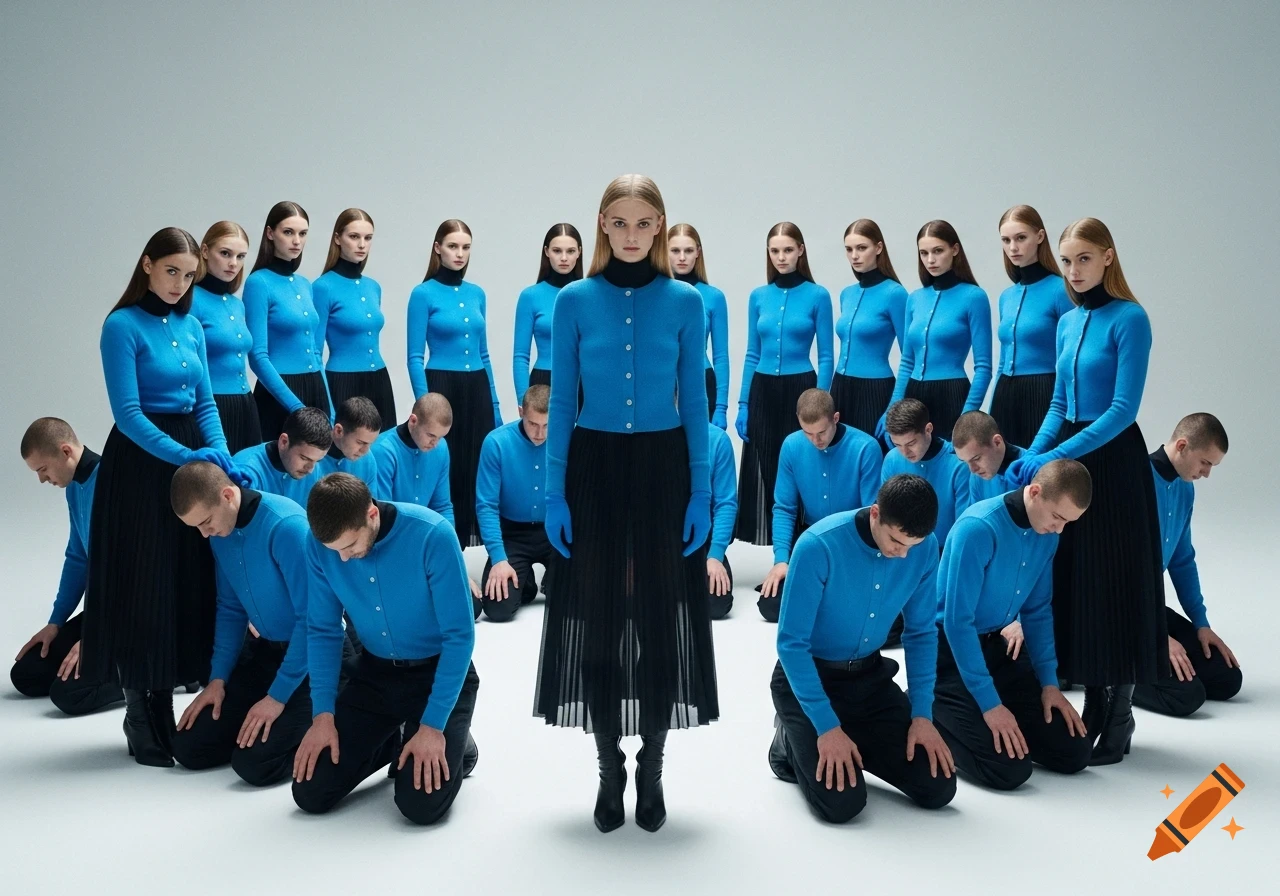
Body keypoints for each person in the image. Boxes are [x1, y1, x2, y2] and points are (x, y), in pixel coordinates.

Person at [537, 174, 716, 834]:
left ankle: (654, 765)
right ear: (603, 225)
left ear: (661, 227)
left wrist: (701, 489)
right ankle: (610, 767)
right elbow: (560, 403)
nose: (634, 234)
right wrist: (553, 491)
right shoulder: (574, 302)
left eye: (647, 223)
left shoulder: (687, 302)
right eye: (622, 222)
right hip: (594, 467)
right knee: (603, 623)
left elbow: (695, 401)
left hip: (665, 468)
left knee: (663, 621)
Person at [1007, 218, 1167, 765]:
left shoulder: (1131, 318)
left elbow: (1123, 409)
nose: (1073, 272)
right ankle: (1085, 699)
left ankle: (1116, 716)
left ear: (1108, 257)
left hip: (1114, 459)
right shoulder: (1069, 321)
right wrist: (1035, 451)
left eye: (1083, 260)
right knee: (1072, 573)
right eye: (1067, 261)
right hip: (1070, 450)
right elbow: (1057, 403)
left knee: (1113, 578)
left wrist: (1057, 455)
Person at [82, 227, 238, 767]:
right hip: (142, 466)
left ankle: (174, 691)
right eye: (171, 270)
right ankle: (140, 710)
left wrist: (217, 451)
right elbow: (128, 415)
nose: (179, 283)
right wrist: (189, 459)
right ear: (147, 265)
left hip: (190, 458)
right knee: (146, 580)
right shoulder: (121, 325)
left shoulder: (193, 324)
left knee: (187, 574)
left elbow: (205, 403)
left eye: (189, 274)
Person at [292, 474, 480, 826]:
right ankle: (394, 737)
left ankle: (460, 747)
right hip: (375, 675)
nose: (344, 559)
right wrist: (322, 715)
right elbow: (322, 630)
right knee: (310, 792)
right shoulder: (319, 545)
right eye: (336, 551)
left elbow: (460, 637)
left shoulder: (432, 534)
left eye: (350, 546)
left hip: (436, 673)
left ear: (371, 514)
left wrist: (433, 726)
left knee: (420, 807)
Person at [769, 475, 955, 822]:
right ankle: (788, 742)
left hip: (870, 682)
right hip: (810, 678)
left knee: (939, 786)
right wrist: (826, 728)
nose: (903, 555)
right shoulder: (817, 545)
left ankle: (852, 737)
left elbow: (920, 634)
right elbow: (791, 645)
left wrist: (922, 715)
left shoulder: (924, 548)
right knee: (842, 805)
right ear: (875, 514)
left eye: (912, 546)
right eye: (896, 541)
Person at [933, 461, 1094, 790]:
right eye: (1058, 518)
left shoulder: (1046, 534)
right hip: (951, 655)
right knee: (1008, 770)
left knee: (1075, 752)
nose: (1060, 529)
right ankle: (927, 705)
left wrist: (1049, 684)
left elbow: (1036, 610)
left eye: (1068, 522)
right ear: (1035, 492)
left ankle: (989, 713)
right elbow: (957, 623)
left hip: (999, 650)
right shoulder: (977, 529)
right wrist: (991, 706)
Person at [168, 461, 313, 786]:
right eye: (196, 528)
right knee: (188, 747)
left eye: (205, 522)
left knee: (255, 765)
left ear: (227, 494)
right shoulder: (222, 533)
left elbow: (314, 621)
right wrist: (217, 680)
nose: (204, 534)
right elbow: (231, 608)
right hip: (266, 655)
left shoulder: (286, 526)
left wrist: (276, 698)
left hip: (314, 662)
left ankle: (344, 723)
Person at [1132, 413, 1241, 717]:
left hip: (1149, 607)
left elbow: (1182, 560)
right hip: (1120, 612)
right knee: (1187, 697)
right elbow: (1117, 577)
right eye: (1205, 463)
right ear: (1182, 446)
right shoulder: (1134, 481)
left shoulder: (1184, 488)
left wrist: (1201, 624)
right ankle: (1104, 677)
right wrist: (1156, 637)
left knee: (1227, 678)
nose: (1206, 473)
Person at [11, 418, 122, 715]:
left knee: (69, 695)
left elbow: (129, 576)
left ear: (65, 452)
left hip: (130, 615)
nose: (41, 479)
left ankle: (163, 675)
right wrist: (55, 623)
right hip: (102, 611)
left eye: (42, 469)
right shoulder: (75, 488)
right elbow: (78, 557)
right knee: (26, 673)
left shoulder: (114, 483)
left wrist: (96, 638)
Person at [734, 222, 833, 548]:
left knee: (798, 472)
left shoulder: (818, 295)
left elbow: (827, 356)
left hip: (800, 392)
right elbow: (751, 353)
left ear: (801, 250)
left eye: (788, 249)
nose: (781, 256)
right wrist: (744, 404)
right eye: (774, 250)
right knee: (769, 474)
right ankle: (780, 560)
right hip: (762, 391)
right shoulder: (759, 296)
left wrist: (820, 403)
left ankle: (800, 556)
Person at [406, 218, 502, 547]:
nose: (459, 254)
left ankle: (480, 555)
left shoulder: (477, 294)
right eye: (452, 246)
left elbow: (485, 355)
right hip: (441, 388)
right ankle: (448, 548)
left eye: (465, 247)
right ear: (438, 248)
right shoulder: (423, 294)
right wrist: (426, 406)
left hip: (476, 389)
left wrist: (495, 405)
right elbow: (414, 357)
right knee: (447, 466)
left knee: (479, 469)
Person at [757, 389, 882, 623]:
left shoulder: (866, 447)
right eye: (808, 433)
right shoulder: (792, 445)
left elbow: (870, 514)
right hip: (811, 538)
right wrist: (782, 560)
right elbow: (784, 508)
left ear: (835, 418)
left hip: (852, 540)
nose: (816, 440)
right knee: (771, 606)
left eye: (822, 432)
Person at [883, 220, 991, 441]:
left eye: (938, 251)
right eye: (924, 253)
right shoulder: (915, 298)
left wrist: (966, 417)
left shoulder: (974, 297)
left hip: (952, 396)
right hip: (913, 397)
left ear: (955, 249)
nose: (930, 260)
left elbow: (984, 368)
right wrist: (892, 408)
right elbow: (907, 362)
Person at [243, 201, 332, 441]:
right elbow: (258, 356)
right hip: (278, 395)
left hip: (314, 389)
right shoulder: (258, 283)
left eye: (303, 233)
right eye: (288, 232)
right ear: (270, 233)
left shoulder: (304, 283)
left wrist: (328, 405)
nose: (297, 241)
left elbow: (315, 351)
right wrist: (295, 406)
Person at [989, 206, 1072, 448]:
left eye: (1020, 238)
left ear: (1040, 236)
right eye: (1006, 240)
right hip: (1006, 394)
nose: (1013, 247)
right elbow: (1003, 362)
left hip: (1044, 394)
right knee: (1006, 475)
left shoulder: (1061, 290)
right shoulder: (1006, 296)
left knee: (1043, 477)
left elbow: (1072, 359)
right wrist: (993, 409)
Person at [475, 385, 556, 622]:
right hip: (513, 535)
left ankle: (552, 579)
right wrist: (499, 559)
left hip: (554, 531)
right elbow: (486, 506)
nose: (539, 433)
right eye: (533, 424)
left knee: (576, 600)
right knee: (498, 609)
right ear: (521, 411)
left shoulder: (568, 438)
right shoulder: (496, 443)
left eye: (547, 425)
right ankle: (525, 583)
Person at [312, 208, 395, 430]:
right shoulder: (322, 287)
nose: (362, 245)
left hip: (380, 380)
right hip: (343, 383)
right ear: (338, 239)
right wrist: (327, 403)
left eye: (368, 238)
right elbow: (315, 352)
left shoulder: (373, 287)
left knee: (382, 451)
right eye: (354, 237)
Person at [832, 219, 908, 439]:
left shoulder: (895, 294)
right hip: (840, 389)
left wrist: (894, 406)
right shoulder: (847, 294)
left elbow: (910, 357)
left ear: (879, 248)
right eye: (849, 249)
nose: (854, 255)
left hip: (875, 392)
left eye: (861, 248)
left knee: (873, 461)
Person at [191, 221, 261, 453]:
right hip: (211, 407)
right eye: (225, 253)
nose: (234, 263)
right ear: (204, 251)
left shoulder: (236, 304)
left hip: (245, 405)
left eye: (241, 256)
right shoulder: (190, 300)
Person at [881, 399, 970, 547]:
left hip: (944, 553)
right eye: (897, 445)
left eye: (911, 443)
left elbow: (963, 526)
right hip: (902, 551)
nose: (905, 452)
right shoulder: (891, 459)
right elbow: (886, 517)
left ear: (928, 429)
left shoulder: (959, 464)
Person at [670, 223, 730, 428]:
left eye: (688, 250)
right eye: (675, 250)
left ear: (698, 253)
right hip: (661, 381)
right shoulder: (651, 294)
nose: (682, 257)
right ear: (664, 252)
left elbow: (721, 356)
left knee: (700, 455)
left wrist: (721, 408)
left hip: (701, 381)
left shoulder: (714, 297)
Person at [513, 223, 583, 397]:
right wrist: (523, 399)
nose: (564, 258)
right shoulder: (530, 296)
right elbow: (521, 356)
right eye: (557, 251)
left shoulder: (590, 295)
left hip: (584, 383)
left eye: (571, 251)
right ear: (546, 252)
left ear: (579, 252)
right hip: (543, 382)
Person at [370, 393, 454, 524]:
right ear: (413, 421)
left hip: (423, 535)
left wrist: (448, 542)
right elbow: (383, 515)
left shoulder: (441, 448)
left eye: (440, 437)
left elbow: (442, 507)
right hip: (391, 535)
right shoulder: (383, 450)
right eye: (431, 435)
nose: (435, 443)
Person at [233, 407, 331, 506]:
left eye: (317, 461)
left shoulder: (314, 469)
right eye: (304, 458)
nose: (310, 470)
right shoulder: (245, 472)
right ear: (284, 442)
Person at [952, 410, 1025, 504]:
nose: (973, 470)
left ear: (997, 442)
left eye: (976, 458)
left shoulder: (1034, 472)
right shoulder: (976, 477)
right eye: (966, 462)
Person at [706, 419, 738, 620]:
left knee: (716, 605)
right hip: (656, 539)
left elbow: (726, 503)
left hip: (700, 538)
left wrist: (715, 555)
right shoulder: (650, 433)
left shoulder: (717, 440)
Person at [317, 396, 382, 488]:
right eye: (360, 442)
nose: (365, 451)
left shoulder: (368, 461)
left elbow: (371, 501)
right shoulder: (308, 461)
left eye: (369, 443)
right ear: (339, 431)